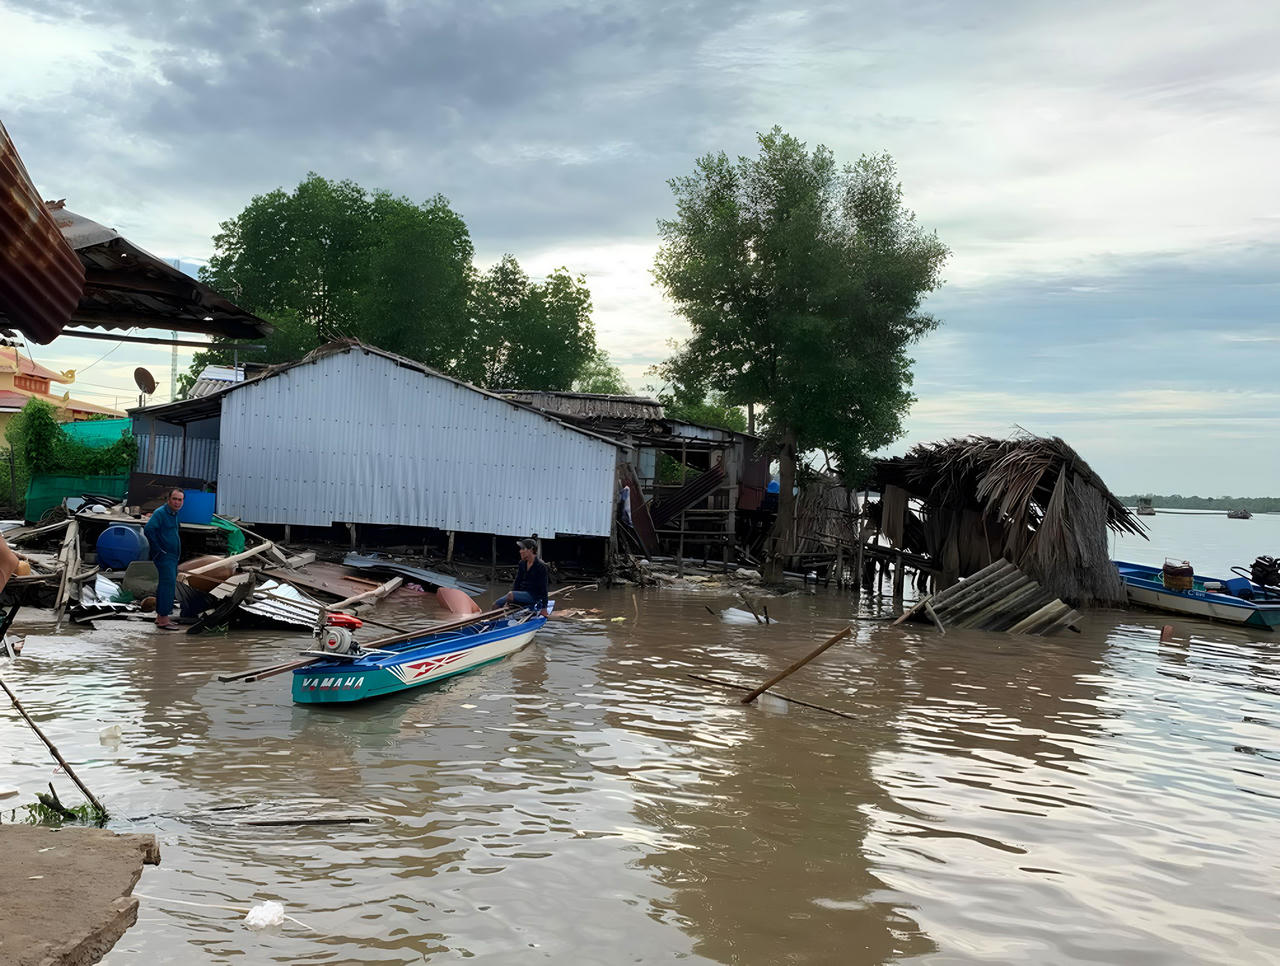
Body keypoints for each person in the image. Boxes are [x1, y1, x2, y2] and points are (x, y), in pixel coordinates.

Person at [144, 488, 184, 631]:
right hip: (165, 555)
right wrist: (158, 549)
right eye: (175, 499)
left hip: (172, 556)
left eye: (180, 500)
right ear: (168, 500)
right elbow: (148, 529)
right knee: (167, 586)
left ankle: (160, 617)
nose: (177, 502)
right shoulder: (161, 513)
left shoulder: (174, 514)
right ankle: (164, 620)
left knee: (166, 585)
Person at [495, 538, 548, 615]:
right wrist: (511, 600)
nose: (520, 551)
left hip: (534, 596)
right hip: (521, 594)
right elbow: (517, 581)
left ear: (531, 549)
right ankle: (490, 623)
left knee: (510, 595)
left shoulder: (541, 566)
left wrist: (544, 607)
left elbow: (544, 587)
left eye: (523, 549)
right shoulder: (522, 563)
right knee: (495, 605)